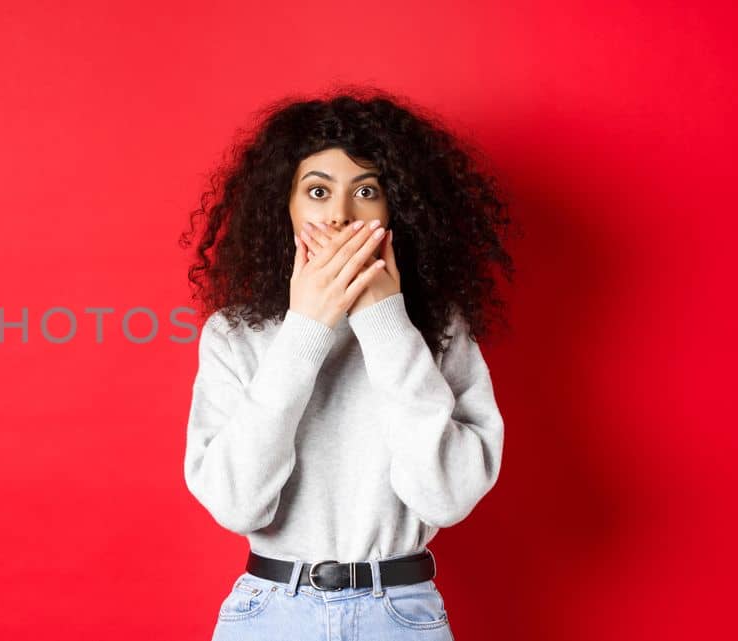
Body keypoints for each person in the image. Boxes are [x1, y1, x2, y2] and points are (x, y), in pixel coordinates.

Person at [179, 87, 517, 640]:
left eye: (366, 191)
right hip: (270, 613)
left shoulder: (440, 330)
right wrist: (306, 329)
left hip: (401, 614)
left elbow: (448, 498)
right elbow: (237, 506)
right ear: (284, 207)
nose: (339, 215)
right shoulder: (236, 335)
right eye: (317, 191)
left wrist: (386, 321)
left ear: (395, 210)